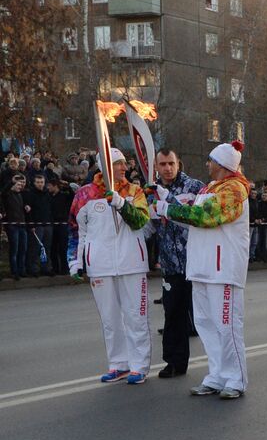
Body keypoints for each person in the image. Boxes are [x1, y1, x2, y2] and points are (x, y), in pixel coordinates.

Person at [152, 140, 251, 399]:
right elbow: (192, 219)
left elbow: (206, 217)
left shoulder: (235, 190)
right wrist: (169, 203)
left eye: (210, 160)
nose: (207, 164)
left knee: (227, 325)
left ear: (221, 163)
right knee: (205, 323)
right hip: (202, 267)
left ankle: (236, 379)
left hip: (223, 269)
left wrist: (168, 208)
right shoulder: (209, 188)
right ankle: (217, 375)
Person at [67, 148, 153, 383]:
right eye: (118, 164)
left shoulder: (135, 191)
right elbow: (76, 231)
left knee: (136, 317)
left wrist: (120, 203)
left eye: (125, 163)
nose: (124, 168)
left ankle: (139, 366)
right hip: (100, 265)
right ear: (104, 167)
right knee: (110, 319)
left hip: (132, 263)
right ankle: (119, 364)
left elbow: (141, 222)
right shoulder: (84, 195)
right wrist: (75, 259)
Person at [148, 149, 205, 378]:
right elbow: (149, 225)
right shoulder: (151, 192)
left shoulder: (194, 187)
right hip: (171, 265)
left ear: (178, 163)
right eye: (162, 164)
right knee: (173, 315)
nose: (167, 168)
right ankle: (174, 363)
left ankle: (220, 368)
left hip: (197, 262)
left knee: (204, 317)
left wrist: (168, 200)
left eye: (171, 163)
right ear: (156, 166)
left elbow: (197, 216)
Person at [24, 171, 53, 276]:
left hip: (48, 224)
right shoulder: (30, 194)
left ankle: (46, 268)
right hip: (36, 226)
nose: (40, 184)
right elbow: (28, 211)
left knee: (47, 247)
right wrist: (31, 225)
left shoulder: (47, 194)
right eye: (38, 182)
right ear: (34, 182)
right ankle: (34, 269)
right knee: (35, 248)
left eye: (42, 182)